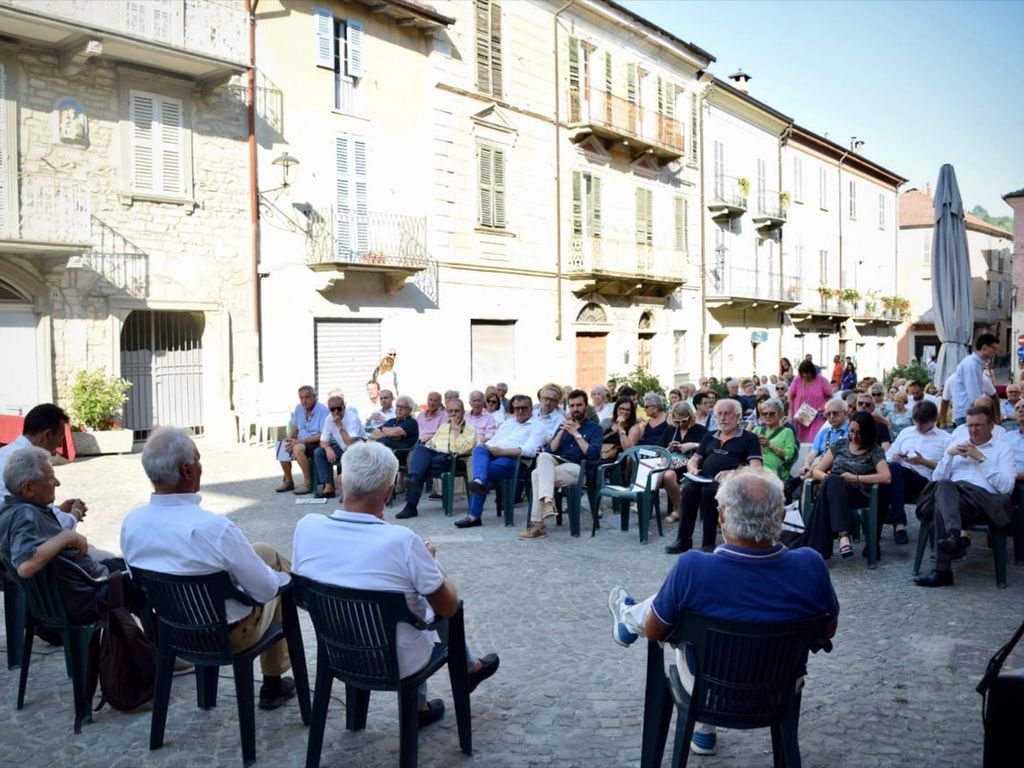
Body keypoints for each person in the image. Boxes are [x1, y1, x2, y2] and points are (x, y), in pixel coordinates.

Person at [608, 468, 839, 758]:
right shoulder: (811, 566)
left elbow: (655, 632)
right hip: (779, 687)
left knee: (685, 615)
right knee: (690, 605)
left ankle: (630, 621)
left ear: (720, 517)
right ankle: (703, 730)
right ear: (781, 517)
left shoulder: (693, 568)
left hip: (708, 688)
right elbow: (828, 629)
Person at [291, 442, 500, 727]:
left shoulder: (307, 526)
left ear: (340, 482)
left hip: (337, 651)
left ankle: (452, 680)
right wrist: (430, 562)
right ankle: (430, 697)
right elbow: (448, 607)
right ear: (389, 493)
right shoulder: (403, 541)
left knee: (406, 595)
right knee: (425, 601)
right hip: (397, 662)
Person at [121, 427, 298, 709]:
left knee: (264, 551)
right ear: (187, 470)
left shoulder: (132, 524)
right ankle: (273, 682)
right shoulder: (214, 529)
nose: (201, 466)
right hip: (226, 635)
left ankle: (298, 585)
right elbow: (265, 592)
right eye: (198, 459)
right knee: (280, 586)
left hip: (173, 630)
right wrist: (277, 580)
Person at [0, 447, 125, 623]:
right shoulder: (26, 514)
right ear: (28, 489)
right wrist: (67, 536)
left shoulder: (10, 508)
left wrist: (58, 511)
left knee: (122, 564)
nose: (57, 483)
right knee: (144, 578)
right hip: (88, 594)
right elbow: (26, 565)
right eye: (50, 478)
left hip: (75, 589)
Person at [913, 405, 1016, 587]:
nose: (973, 430)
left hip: (983, 502)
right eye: (969, 426)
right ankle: (954, 537)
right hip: (955, 502)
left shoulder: (1003, 450)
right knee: (943, 487)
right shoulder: (957, 446)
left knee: (942, 501)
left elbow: (1006, 488)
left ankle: (942, 571)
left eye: (978, 425)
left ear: (991, 426)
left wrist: (981, 458)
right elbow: (937, 478)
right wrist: (949, 456)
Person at [665, 399, 763, 555]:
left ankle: (708, 542)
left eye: (727, 414)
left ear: (738, 416)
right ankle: (683, 540)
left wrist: (733, 473)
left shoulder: (749, 438)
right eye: (719, 414)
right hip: (704, 477)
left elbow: (756, 467)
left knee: (709, 491)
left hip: (732, 482)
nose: (723, 418)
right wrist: (692, 468)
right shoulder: (710, 435)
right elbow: (694, 459)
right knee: (689, 490)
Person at [803, 412, 891, 559]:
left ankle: (837, 538)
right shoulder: (840, 445)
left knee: (830, 485)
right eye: (851, 431)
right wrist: (831, 481)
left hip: (858, 494)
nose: (854, 436)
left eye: (859, 433)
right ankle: (843, 535)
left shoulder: (875, 450)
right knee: (832, 480)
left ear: (868, 432)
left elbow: (886, 477)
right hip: (833, 490)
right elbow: (817, 471)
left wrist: (855, 478)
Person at [520, 389, 602, 540]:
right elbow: (549, 450)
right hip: (558, 465)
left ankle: (538, 525)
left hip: (579, 469)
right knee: (542, 459)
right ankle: (548, 501)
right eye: (572, 406)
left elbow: (592, 455)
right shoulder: (563, 425)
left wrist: (576, 434)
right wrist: (561, 433)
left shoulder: (595, 428)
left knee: (536, 474)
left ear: (586, 406)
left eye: (579, 405)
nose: (575, 409)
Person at [454, 395, 544, 529]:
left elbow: (530, 450)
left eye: (524, 408)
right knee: (479, 449)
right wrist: (487, 448)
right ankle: (479, 482)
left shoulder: (537, 426)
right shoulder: (507, 423)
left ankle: (474, 515)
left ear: (531, 408)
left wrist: (504, 452)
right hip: (495, 456)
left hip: (516, 461)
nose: (520, 411)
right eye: (516, 408)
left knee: (482, 471)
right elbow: (492, 441)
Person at [0, 404, 87, 532]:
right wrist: (75, 514)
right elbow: (53, 525)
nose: (59, 444)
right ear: (46, 435)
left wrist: (57, 509)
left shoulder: (5, 452)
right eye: (60, 437)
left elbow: (29, 507)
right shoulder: (31, 461)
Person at [396, 399, 476, 520]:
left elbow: (461, 449)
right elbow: (433, 442)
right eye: (450, 411)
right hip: (436, 457)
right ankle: (414, 482)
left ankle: (411, 501)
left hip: (454, 460)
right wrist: (428, 444)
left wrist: (455, 429)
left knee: (420, 470)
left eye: (457, 411)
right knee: (420, 448)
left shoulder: (470, 429)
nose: (453, 414)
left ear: (463, 412)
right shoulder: (443, 427)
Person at [884, 400, 949, 545]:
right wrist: (895, 456)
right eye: (917, 422)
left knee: (891, 476)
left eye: (924, 423)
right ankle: (896, 526)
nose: (919, 426)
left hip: (925, 482)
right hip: (900, 476)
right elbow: (888, 455)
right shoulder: (906, 432)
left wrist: (923, 461)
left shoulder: (944, 438)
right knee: (892, 469)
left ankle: (895, 523)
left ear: (934, 419)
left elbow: (946, 469)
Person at [661, 401, 708, 525]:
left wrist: (693, 445)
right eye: (677, 421)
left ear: (690, 417)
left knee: (662, 469)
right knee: (668, 475)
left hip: (690, 467)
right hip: (671, 467)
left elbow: (708, 448)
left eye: (684, 421)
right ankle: (679, 509)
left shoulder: (700, 430)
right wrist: (669, 448)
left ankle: (646, 495)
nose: (681, 424)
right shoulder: (671, 429)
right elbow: (660, 450)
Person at [277, 385, 330, 495]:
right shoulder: (299, 408)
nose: (304, 400)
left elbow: (322, 435)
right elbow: (295, 429)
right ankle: (289, 481)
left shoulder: (323, 411)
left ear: (314, 396)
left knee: (297, 448)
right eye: (301, 398)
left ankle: (307, 483)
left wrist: (299, 442)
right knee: (282, 445)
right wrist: (289, 437)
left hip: (316, 442)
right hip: (301, 441)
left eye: (307, 397)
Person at [313, 393, 366, 499]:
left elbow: (351, 443)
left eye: (339, 409)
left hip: (358, 446)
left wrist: (340, 426)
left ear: (344, 407)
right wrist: (327, 448)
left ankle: (351, 488)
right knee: (319, 452)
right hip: (342, 447)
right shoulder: (329, 419)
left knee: (350, 449)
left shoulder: (352, 417)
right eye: (333, 409)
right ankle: (329, 487)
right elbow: (323, 441)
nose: (336, 412)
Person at [949, 333, 999, 425]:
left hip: (967, 412)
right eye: (994, 348)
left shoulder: (974, 363)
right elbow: (974, 396)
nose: (996, 353)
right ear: (984, 347)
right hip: (968, 413)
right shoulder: (972, 365)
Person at [789, 359, 833, 444]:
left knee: (815, 440)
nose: (805, 375)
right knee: (800, 441)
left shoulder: (821, 380)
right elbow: (790, 397)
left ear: (812, 372)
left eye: (807, 373)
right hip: (800, 417)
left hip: (818, 416)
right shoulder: (797, 380)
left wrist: (826, 409)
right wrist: (790, 413)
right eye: (803, 373)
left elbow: (830, 396)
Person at [754, 398, 797, 482]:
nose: (768, 416)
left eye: (772, 413)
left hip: (775, 473)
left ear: (781, 415)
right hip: (756, 470)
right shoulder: (757, 430)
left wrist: (769, 445)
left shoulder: (787, 432)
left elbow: (789, 456)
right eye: (764, 413)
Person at [601, 397, 642, 462]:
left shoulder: (634, 427)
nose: (625, 412)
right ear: (616, 409)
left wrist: (621, 428)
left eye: (628, 410)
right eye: (622, 409)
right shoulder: (608, 422)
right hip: (602, 456)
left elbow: (628, 450)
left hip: (618, 462)